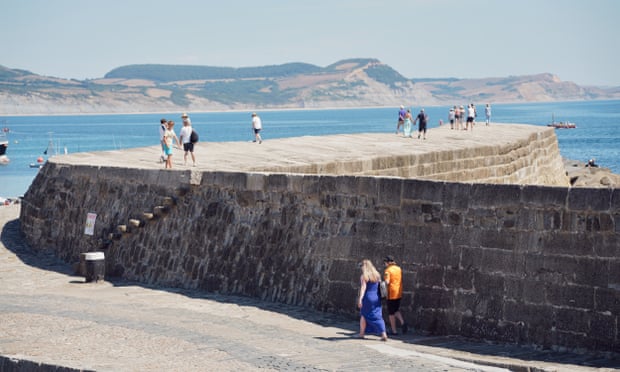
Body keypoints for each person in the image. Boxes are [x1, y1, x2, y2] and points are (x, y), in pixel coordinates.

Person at [356, 259, 388, 341]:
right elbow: (380, 286)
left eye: (362, 266)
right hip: (376, 297)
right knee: (378, 316)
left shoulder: (364, 276)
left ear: (364, 267)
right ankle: (383, 334)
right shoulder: (377, 275)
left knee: (364, 315)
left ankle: (361, 334)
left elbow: (363, 288)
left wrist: (360, 299)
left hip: (368, 297)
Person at [383, 256, 408, 335]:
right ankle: (402, 322)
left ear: (388, 262)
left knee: (391, 312)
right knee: (396, 309)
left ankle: (394, 330)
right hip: (398, 292)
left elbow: (387, 281)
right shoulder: (398, 269)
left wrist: (381, 284)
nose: (385, 264)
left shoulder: (388, 270)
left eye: (385, 262)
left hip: (391, 293)